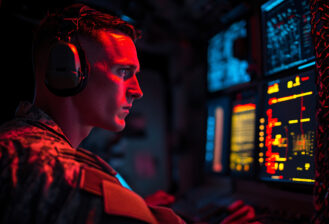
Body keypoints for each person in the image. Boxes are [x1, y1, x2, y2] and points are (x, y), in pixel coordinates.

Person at [0, 3, 259, 224]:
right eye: (123, 72)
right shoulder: (55, 169)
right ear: (68, 70)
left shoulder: (20, 142)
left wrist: (137, 206)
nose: (137, 91)